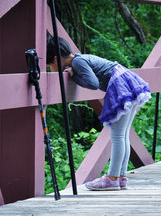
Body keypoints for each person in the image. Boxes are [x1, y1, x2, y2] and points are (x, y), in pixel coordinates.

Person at [46, 33, 151, 191]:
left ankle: (112, 178)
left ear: (55, 59)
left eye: (49, 66)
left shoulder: (78, 62)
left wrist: (73, 77)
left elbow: (93, 83)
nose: (52, 70)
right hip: (126, 82)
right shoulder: (80, 58)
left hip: (120, 86)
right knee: (123, 134)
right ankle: (120, 177)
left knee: (117, 136)